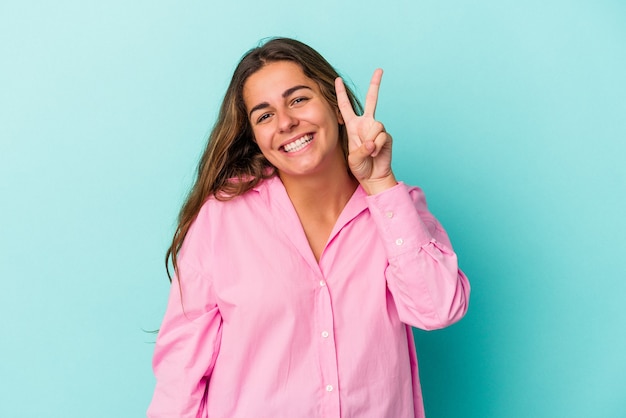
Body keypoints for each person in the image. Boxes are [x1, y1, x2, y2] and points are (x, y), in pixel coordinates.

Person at [147, 37, 470, 418]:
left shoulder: (396, 209)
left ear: (336, 107)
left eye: (298, 99)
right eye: (264, 115)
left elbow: (439, 310)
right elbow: (180, 373)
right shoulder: (223, 218)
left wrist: (380, 183)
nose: (285, 122)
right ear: (254, 137)